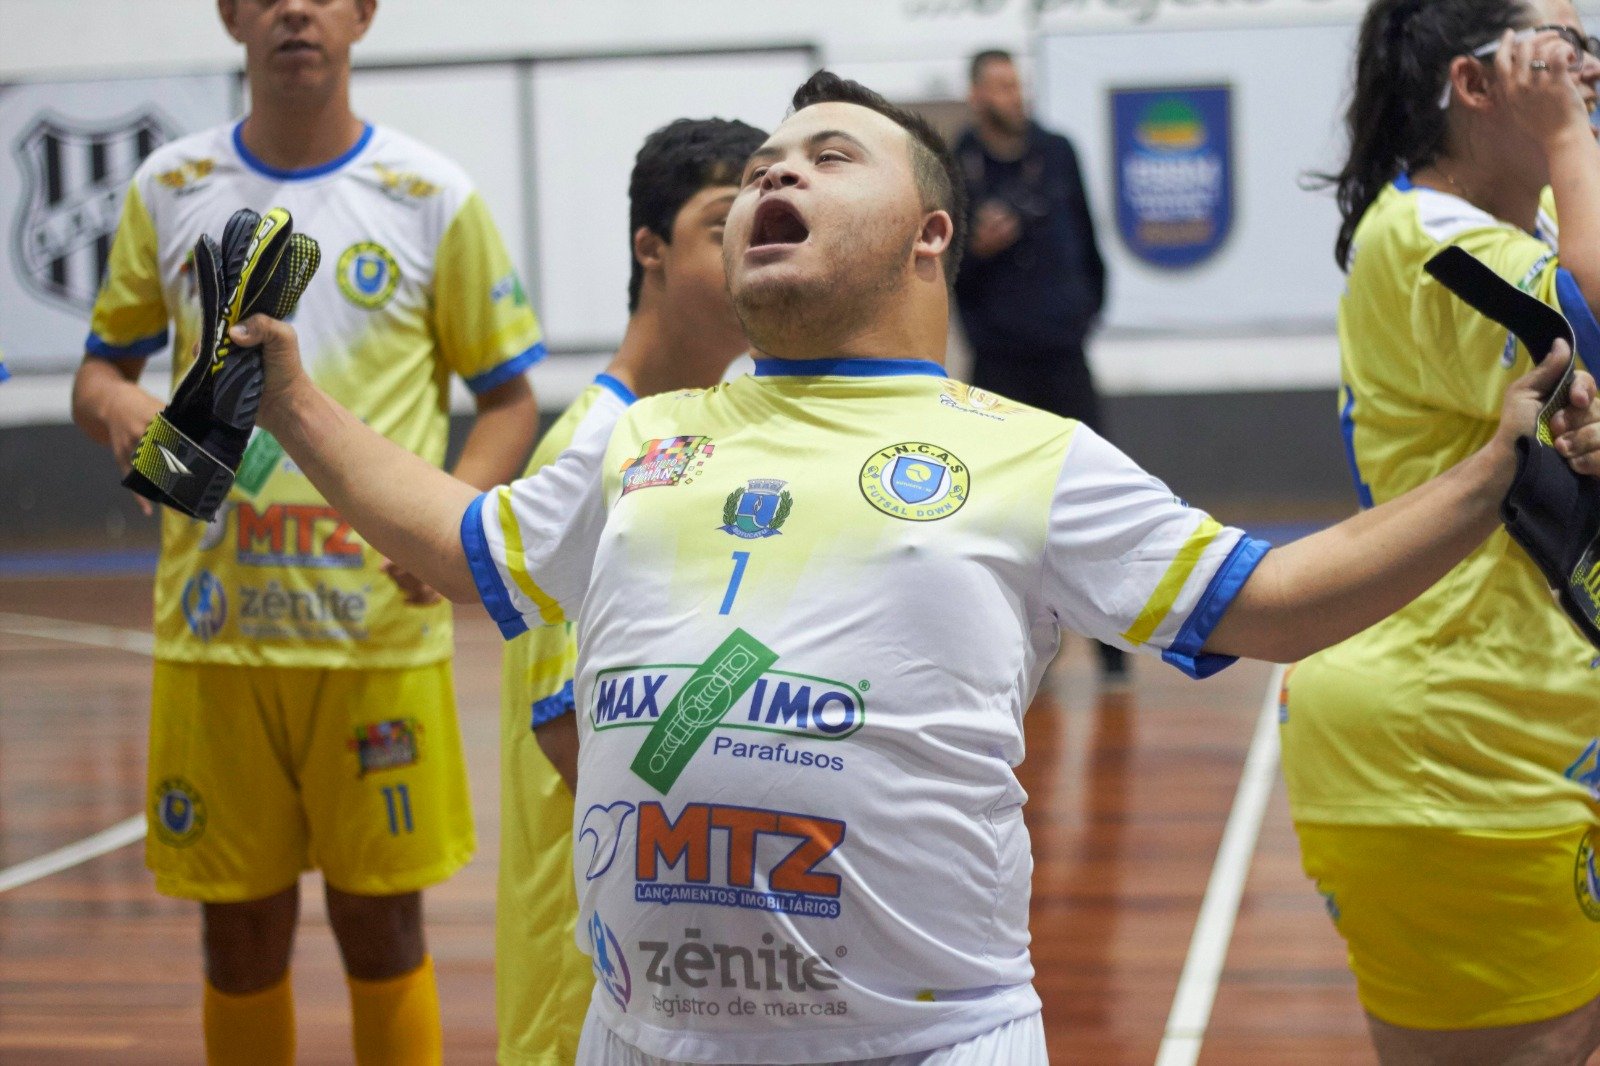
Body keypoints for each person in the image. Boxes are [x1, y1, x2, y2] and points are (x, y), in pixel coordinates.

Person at [229, 70, 1598, 1064]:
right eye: (765, 162)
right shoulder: (636, 437)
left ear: (931, 232)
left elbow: (1279, 603)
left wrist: (1489, 473)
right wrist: (287, 398)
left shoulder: (1028, 454)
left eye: (827, 157)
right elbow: (462, 545)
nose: (776, 174)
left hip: (927, 1043)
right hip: (644, 1039)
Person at [68, 1, 543, 1062]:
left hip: (374, 635)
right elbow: (103, 369)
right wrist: (116, 406)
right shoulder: (168, 187)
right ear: (232, 14)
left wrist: (445, 525)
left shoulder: (431, 196)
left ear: (362, 14)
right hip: (215, 635)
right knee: (236, 933)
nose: (295, 8)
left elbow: (510, 397)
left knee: (383, 926)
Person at [1283, 2, 1600, 1063]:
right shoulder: (1435, 242)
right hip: (1456, 739)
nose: (1587, 70)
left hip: (1544, 716)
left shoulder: (1520, 226)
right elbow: (1593, 322)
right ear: (1478, 83)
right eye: (1561, 52)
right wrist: (1566, 136)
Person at [496, 115, 765, 1066]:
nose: (749, 250)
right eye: (721, 224)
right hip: (595, 987)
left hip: (682, 975)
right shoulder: (593, 450)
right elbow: (573, 731)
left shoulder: (703, 433)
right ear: (649, 248)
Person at [953, 49, 1126, 684]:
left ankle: (1114, 651)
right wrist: (977, 251)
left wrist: (1086, 308)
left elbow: (1086, 237)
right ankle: (1019, 651)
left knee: (1095, 492)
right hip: (998, 360)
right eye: (999, 85)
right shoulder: (956, 167)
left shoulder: (1057, 152)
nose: (1014, 94)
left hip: (1062, 350)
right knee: (1002, 506)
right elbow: (942, 268)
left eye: (1017, 83)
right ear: (975, 95)